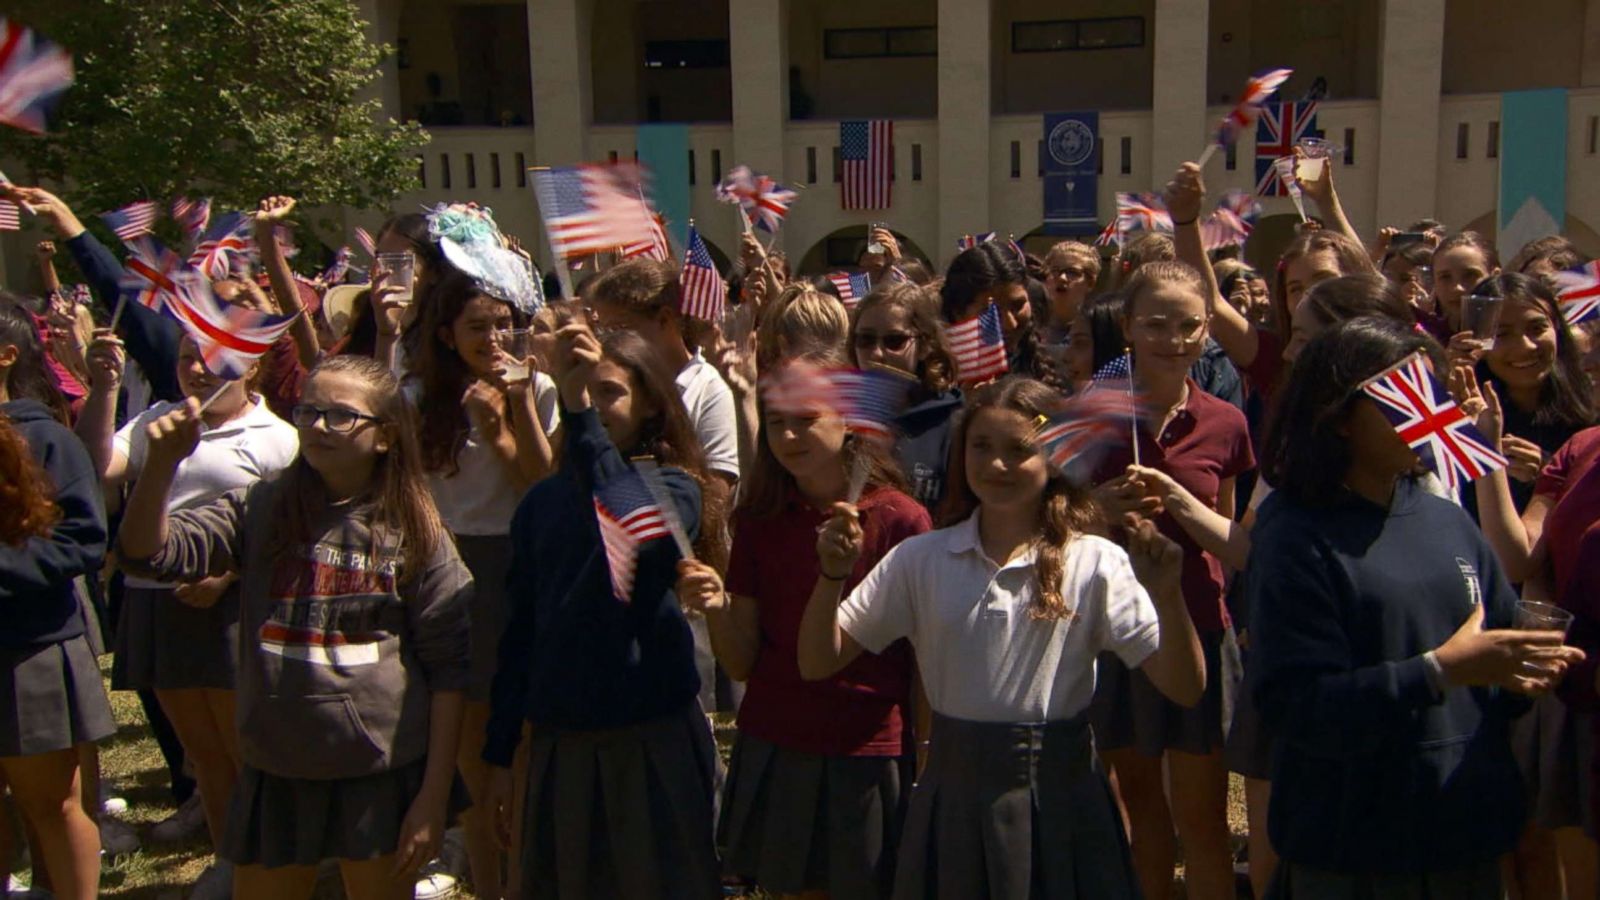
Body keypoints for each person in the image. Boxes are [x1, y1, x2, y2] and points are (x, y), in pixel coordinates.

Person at [794, 376, 1205, 899]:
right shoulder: (922, 559)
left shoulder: (1094, 560)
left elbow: (1185, 688)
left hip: (1062, 797)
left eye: (1019, 450)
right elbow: (817, 661)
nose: (996, 465)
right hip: (955, 796)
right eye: (981, 447)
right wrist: (831, 578)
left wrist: (1168, 595)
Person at [1248, 316, 1582, 898]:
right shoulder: (1294, 535)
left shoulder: (1446, 518)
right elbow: (1296, 707)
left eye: (1435, 393)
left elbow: (1497, 644)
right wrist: (1437, 670)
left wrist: (1520, 669)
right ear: (1341, 417)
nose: (1431, 415)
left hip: (1464, 837)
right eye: (1404, 396)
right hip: (1354, 851)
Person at [117, 354, 471, 900]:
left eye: (340, 416)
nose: (318, 426)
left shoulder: (416, 530)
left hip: (374, 773)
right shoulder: (260, 507)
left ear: (385, 436)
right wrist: (161, 465)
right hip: (276, 767)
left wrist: (432, 796)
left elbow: (449, 672)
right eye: (308, 411)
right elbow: (147, 554)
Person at [481, 325, 721, 899]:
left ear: (649, 404)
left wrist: (578, 413)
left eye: (609, 390)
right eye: (583, 388)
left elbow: (635, 527)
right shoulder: (542, 502)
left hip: (648, 741)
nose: (592, 399)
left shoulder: (676, 488)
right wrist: (501, 752)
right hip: (563, 744)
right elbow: (521, 634)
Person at [678, 357, 930, 899]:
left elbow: (924, 660)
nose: (788, 436)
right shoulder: (760, 517)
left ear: (849, 422)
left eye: (805, 418)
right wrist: (717, 606)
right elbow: (742, 661)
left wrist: (928, 752)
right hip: (778, 737)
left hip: (866, 748)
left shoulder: (900, 520)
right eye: (775, 422)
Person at [76, 328, 298, 898]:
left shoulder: (277, 437)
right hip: (157, 603)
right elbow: (97, 468)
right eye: (185, 359)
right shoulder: (158, 421)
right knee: (202, 756)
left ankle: (264, 866)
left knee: (244, 750)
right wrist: (103, 390)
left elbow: (293, 532)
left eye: (213, 360)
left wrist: (230, 572)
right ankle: (228, 860)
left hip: (232, 612)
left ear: (252, 369)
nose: (196, 370)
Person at [1086, 261, 1254, 900]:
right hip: (1113, 632)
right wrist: (1100, 509)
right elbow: (1048, 522)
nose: (1173, 339)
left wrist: (1180, 502)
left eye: (1189, 326)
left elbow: (1235, 542)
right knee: (1141, 811)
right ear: (1127, 326)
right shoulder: (1091, 413)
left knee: (1203, 819)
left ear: (1208, 329)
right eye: (1155, 324)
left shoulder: (1226, 422)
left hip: (1198, 628)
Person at [408, 266, 557, 900]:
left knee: (518, 737)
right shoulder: (416, 398)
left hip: (517, 563)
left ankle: (524, 875)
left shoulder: (539, 389)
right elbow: (410, 491)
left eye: (504, 324)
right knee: (468, 740)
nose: (495, 337)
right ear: (445, 335)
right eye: (477, 326)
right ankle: (488, 879)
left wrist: (504, 424)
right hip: (447, 563)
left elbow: (543, 490)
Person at [0, 304, 115, 900]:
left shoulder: (46, 439)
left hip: (28, 647)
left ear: (7, 356)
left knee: (51, 801)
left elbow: (82, 539)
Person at [848, 283, 960, 509]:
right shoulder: (838, 418)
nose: (877, 354)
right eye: (866, 340)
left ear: (924, 346)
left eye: (894, 341)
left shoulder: (955, 423)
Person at [1041, 241, 1101, 327]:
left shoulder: (1096, 330)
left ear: (1090, 283)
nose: (1062, 278)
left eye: (1072, 272)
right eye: (1055, 271)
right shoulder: (1030, 327)